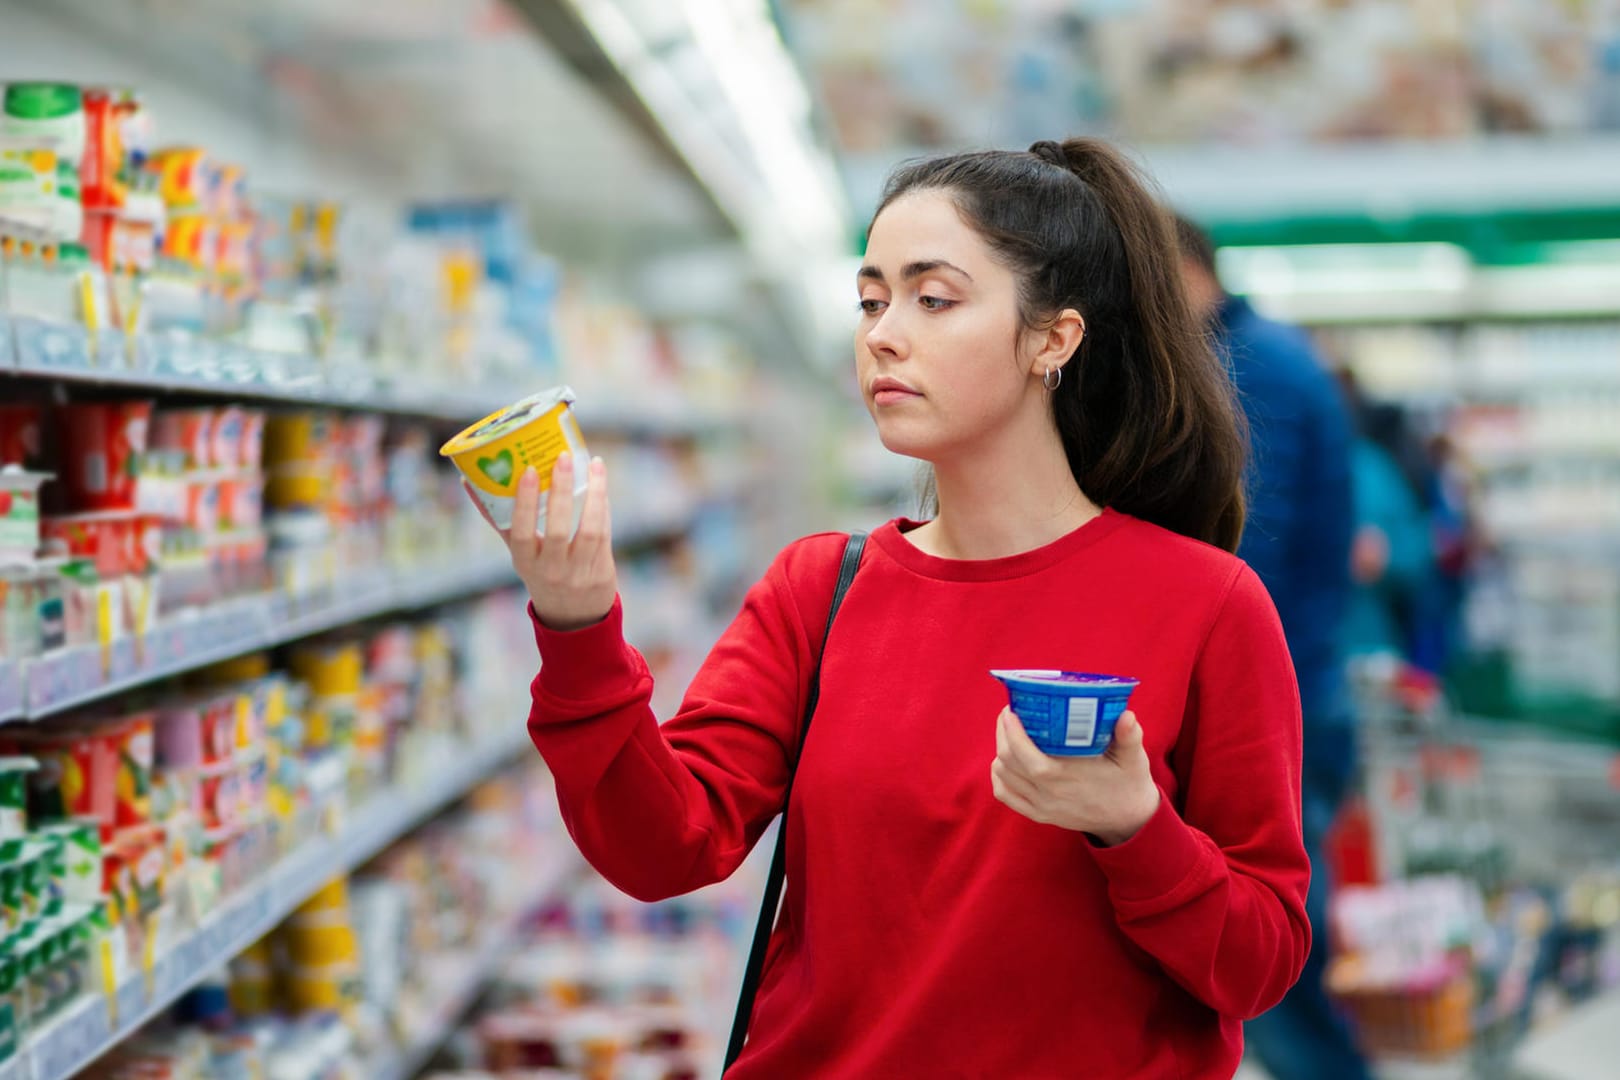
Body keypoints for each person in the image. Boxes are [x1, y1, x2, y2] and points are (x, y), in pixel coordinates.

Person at [474, 140, 1310, 1077]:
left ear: (1052, 339)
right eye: (871, 300)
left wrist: (1135, 827)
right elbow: (662, 847)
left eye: (933, 298)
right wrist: (579, 626)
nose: (881, 334)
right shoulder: (819, 591)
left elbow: (1260, 960)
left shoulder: (1206, 606)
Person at [1175, 218, 1369, 1080]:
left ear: (1179, 269)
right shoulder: (1255, 359)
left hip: (1281, 702)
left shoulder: (1255, 371)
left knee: (1274, 957)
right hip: (1289, 689)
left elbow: (1250, 548)